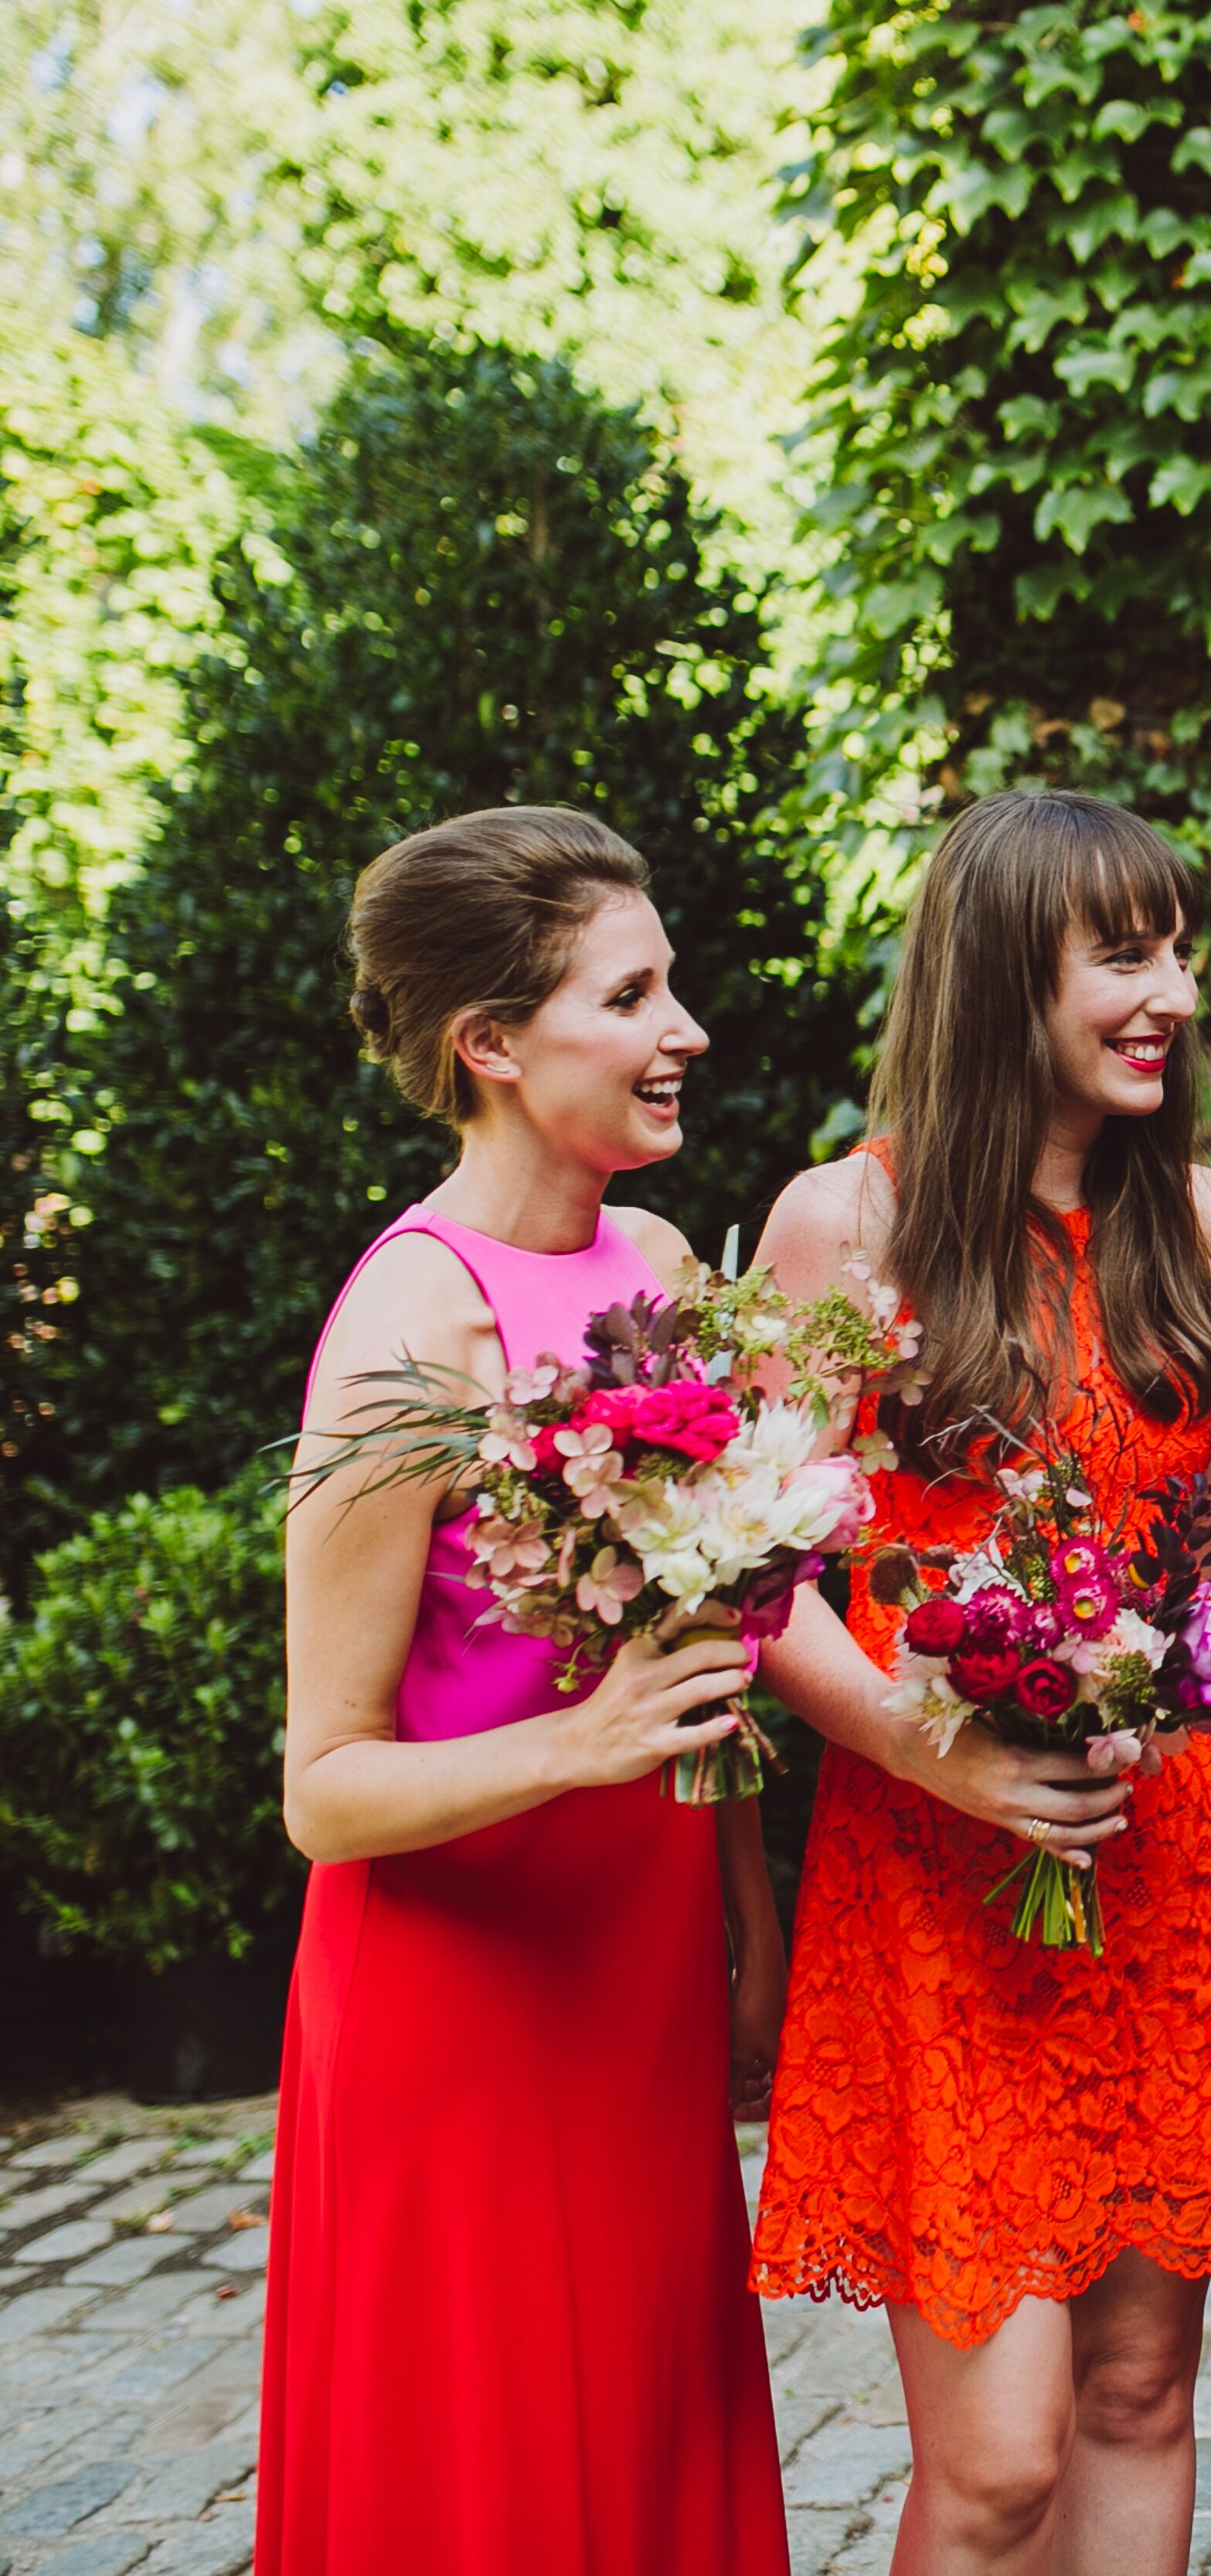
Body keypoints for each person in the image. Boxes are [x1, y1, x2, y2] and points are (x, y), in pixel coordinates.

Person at [745, 789, 1211, 2576]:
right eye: (1123, 954)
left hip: (1175, 1873)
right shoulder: (846, 1222)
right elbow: (748, 1571)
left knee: (1144, 2400)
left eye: (1178, 949)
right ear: (1003, 972)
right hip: (942, 1878)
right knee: (995, 2458)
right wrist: (940, 1750)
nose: (1175, 994)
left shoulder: (1205, 1223)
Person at [267, 805, 784, 2574]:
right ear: (489, 1044)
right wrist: (577, 1742)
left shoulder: (662, 1273)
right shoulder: (408, 1321)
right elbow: (322, 1784)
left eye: (674, 984)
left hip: (638, 1975)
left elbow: (713, 1638)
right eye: (631, 993)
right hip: (460, 2009)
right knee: (489, 2478)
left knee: (641, 2444)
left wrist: (749, 1915)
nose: (685, 1029)